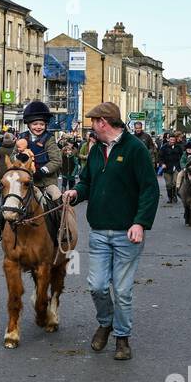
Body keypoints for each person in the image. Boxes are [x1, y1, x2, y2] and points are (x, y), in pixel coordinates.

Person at [63, 102, 160, 362]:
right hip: (98, 231)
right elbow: (87, 182)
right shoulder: (96, 151)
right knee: (96, 286)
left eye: (93, 121)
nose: (91, 125)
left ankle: (122, 337)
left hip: (127, 233)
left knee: (123, 290)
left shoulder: (135, 149)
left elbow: (150, 189)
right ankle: (105, 323)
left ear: (103, 122)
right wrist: (75, 193)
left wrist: (140, 222)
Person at [0, 101, 64, 240]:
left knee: (57, 197)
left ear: (46, 125)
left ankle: (61, 229)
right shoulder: (21, 138)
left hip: (45, 182)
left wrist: (43, 171)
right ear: (28, 124)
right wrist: (18, 156)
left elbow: (57, 161)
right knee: (8, 199)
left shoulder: (49, 139)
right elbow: (12, 158)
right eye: (35, 124)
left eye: (41, 124)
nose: (38, 127)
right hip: (24, 182)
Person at [159, 133, 183, 205]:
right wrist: (162, 164)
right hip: (167, 167)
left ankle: (174, 196)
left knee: (175, 183)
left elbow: (182, 156)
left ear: (175, 140)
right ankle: (170, 197)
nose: (172, 141)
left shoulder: (178, 147)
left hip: (176, 167)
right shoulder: (164, 147)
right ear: (168, 139)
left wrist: (181, 165)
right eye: (171, 139)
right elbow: (160, 157)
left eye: (174, 140)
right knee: (168, 184)